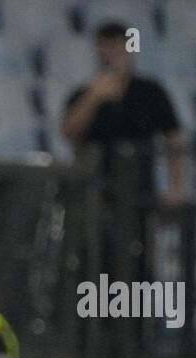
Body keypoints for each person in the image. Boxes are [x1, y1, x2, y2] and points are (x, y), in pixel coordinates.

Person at [61, 20, 186, 271]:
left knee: (140, 264)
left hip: (140, 194)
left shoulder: (150, 92)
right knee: (97, 264)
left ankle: (136, 310)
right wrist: (94, 97)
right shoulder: (84, 94)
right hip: (96, 195)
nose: (113, 54)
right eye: (106, 48)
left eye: (118, 47)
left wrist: (177, 186)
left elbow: (173, 137)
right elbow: (69, 131)